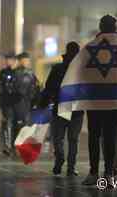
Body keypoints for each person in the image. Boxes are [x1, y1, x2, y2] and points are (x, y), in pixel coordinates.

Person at [80, 15, 117, 186]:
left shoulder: (91, 46)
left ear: (100, 27)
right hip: (116, 98)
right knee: (111, 136)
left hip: (94, 99)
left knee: (94, 135)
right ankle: (109, 174)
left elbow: (82, 72)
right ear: (115, 26)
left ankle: (93, 173)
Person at [41, 42, 83, 177]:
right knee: (73, 139)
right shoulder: (83, 70)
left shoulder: (57, 68)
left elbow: (48, 88)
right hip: (77, 109)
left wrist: (44, 102)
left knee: (58, 138)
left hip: (60, 107)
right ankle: (71, 167)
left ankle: (59, 158)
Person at [11, 52, 40, 152]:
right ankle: (16, 145)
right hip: (17, 103)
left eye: (27, 60)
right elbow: (11, 89)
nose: (26, 62)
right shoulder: (14, 73)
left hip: (28, 104)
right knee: (18, 125)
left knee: (27, 125)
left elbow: (37, 87)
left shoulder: (31, 74)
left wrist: (36, 100)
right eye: (24, 60)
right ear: (19, 61)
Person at [0, 53, 18, 155]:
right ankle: (8, 146)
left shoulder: (19, 72)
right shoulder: (3, 73)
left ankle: (16, 145)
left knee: (18, 125)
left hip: (18, 103)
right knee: (7, 124)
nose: (8, 62)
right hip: (6, 103)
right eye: (7, 59)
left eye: (10, 59)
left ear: (14, 61)